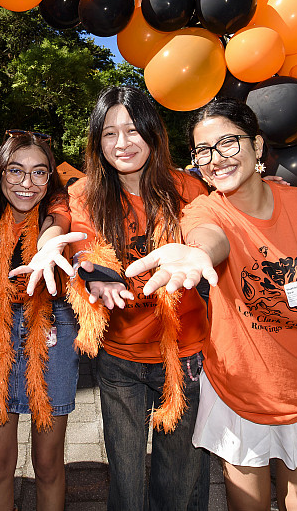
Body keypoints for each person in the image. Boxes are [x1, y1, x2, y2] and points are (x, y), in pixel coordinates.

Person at [126, 99, 297, 511]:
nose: (215, 159)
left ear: (257, 146)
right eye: (203, 150)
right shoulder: (204, 209)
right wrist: (198, 253)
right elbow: (208, 236)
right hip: (237, 391)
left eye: (227, 143)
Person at [66, 86, 211, 511]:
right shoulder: (85, 194)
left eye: (132, 130)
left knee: (181, 482)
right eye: (109, 133)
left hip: (185, 356)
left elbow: (211, 235)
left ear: (153, 132)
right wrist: (96, 275)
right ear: (97, 141)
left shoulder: (188, 189)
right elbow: (85, 247)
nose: (122, 143)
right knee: (126, 485)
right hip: (119, 360)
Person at [0, 131, 85, 511]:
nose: (27, 183)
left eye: (39, 172)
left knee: (47, 464)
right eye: (16, 170)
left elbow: (59, 218)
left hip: (52, 330)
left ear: (50, 178)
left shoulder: (60, 212)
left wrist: (51, 240)